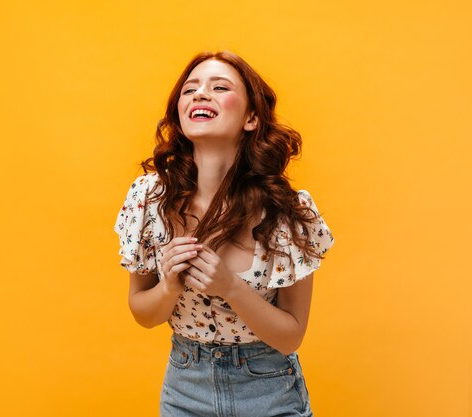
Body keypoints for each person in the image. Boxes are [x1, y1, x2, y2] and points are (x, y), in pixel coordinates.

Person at [114, 51, 335, 417]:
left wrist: (231, 288)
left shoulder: (287, 210)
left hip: (270, 390)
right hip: (186, 389)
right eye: (190, 89)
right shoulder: (148, 200)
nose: (200, 94)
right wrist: (169, 286)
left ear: (251, 118)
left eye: (220, 87)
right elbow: (142, 312)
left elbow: (291, 336)